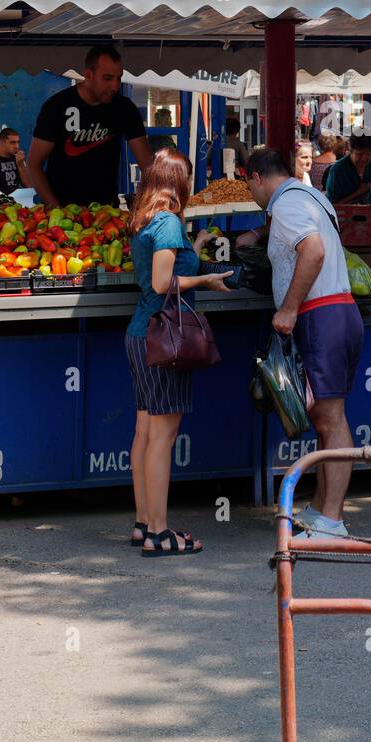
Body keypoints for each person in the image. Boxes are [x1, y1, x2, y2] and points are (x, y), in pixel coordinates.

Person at [247, 147, 364, 540]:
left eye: (250, 187)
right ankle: (320, 509)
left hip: (320, 314)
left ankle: (332, 521)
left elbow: (312, 250)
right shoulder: (310, 195)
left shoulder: (285, 205)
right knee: (325, 418)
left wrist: (290, 308)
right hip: (337, 313)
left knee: (330, 420)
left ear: (256, 177)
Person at [125, 148, 233, 556]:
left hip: (140, 334)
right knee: (163, 437)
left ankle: (143, 523)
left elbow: (165, 267)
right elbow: (161, 283)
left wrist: (197, 244)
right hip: (163, 338)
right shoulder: (169, 221)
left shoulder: (145, 219)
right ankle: (160, 532)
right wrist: (206, 279)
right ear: (178, 181)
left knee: (144, 433)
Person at [28, 45, 154, 207]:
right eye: (107, 78)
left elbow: (147, 164)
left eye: (119, 78)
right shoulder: (57, 106)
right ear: (88, 75)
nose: (115, 86)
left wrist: (159, 200)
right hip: (63, 216)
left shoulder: (125, 108)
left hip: (106, 211)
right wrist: (55, 208)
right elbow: (33, 164)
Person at [324, 133, 371, 206]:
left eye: (368, 154)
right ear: (350, 150)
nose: (363, 159)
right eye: (359, 154)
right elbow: (331, 206)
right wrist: (358, 192)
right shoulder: (337, 170)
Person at [0, 127, 33, 195]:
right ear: (2, 143)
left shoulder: (18, 159)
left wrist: (21, 165)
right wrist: (7, 201)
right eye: (12, 142)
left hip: (17, 201)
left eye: (18, 142)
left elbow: (28, 185)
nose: (16, 146)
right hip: (0, 203)